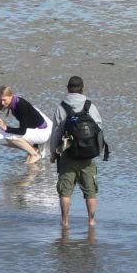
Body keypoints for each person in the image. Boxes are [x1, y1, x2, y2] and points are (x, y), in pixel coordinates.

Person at [48, 76, 107, 229]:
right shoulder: (90, 106)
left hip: (67, 155)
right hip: (87, 157)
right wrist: (97, 150)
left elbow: (56, 132)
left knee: (65, 192)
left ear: (67, 88)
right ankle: (91, 221)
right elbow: (99, 129)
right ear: (83, 88)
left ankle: (65, 221)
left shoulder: (61, 107)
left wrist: (53, 153)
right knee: (91, 192)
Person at [0, 86, 52, 164]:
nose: (2, 103)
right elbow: (29, 123)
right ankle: (33, 151)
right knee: (1, 138)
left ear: (11, 96)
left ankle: (34, 153)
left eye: (4, 100)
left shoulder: (20, 105)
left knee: (9, 136)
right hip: (37, 130)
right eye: (1, 100)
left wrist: (5, 127)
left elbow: (22, 131)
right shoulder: (15, 102)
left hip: (42, 133)